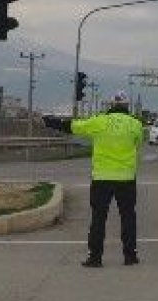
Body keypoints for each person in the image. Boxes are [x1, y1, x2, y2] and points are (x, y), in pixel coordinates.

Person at [43, 91, 145, 267]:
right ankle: (130, 256)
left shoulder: (99, 122)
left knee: (98, 218)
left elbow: (73, 126)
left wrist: (50, 121)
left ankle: (95, 257)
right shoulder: (136, 124)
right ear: (127, 106)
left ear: (111, 105)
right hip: (126, 178)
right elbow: (138, 144)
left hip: (102, 178)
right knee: (128, 217)